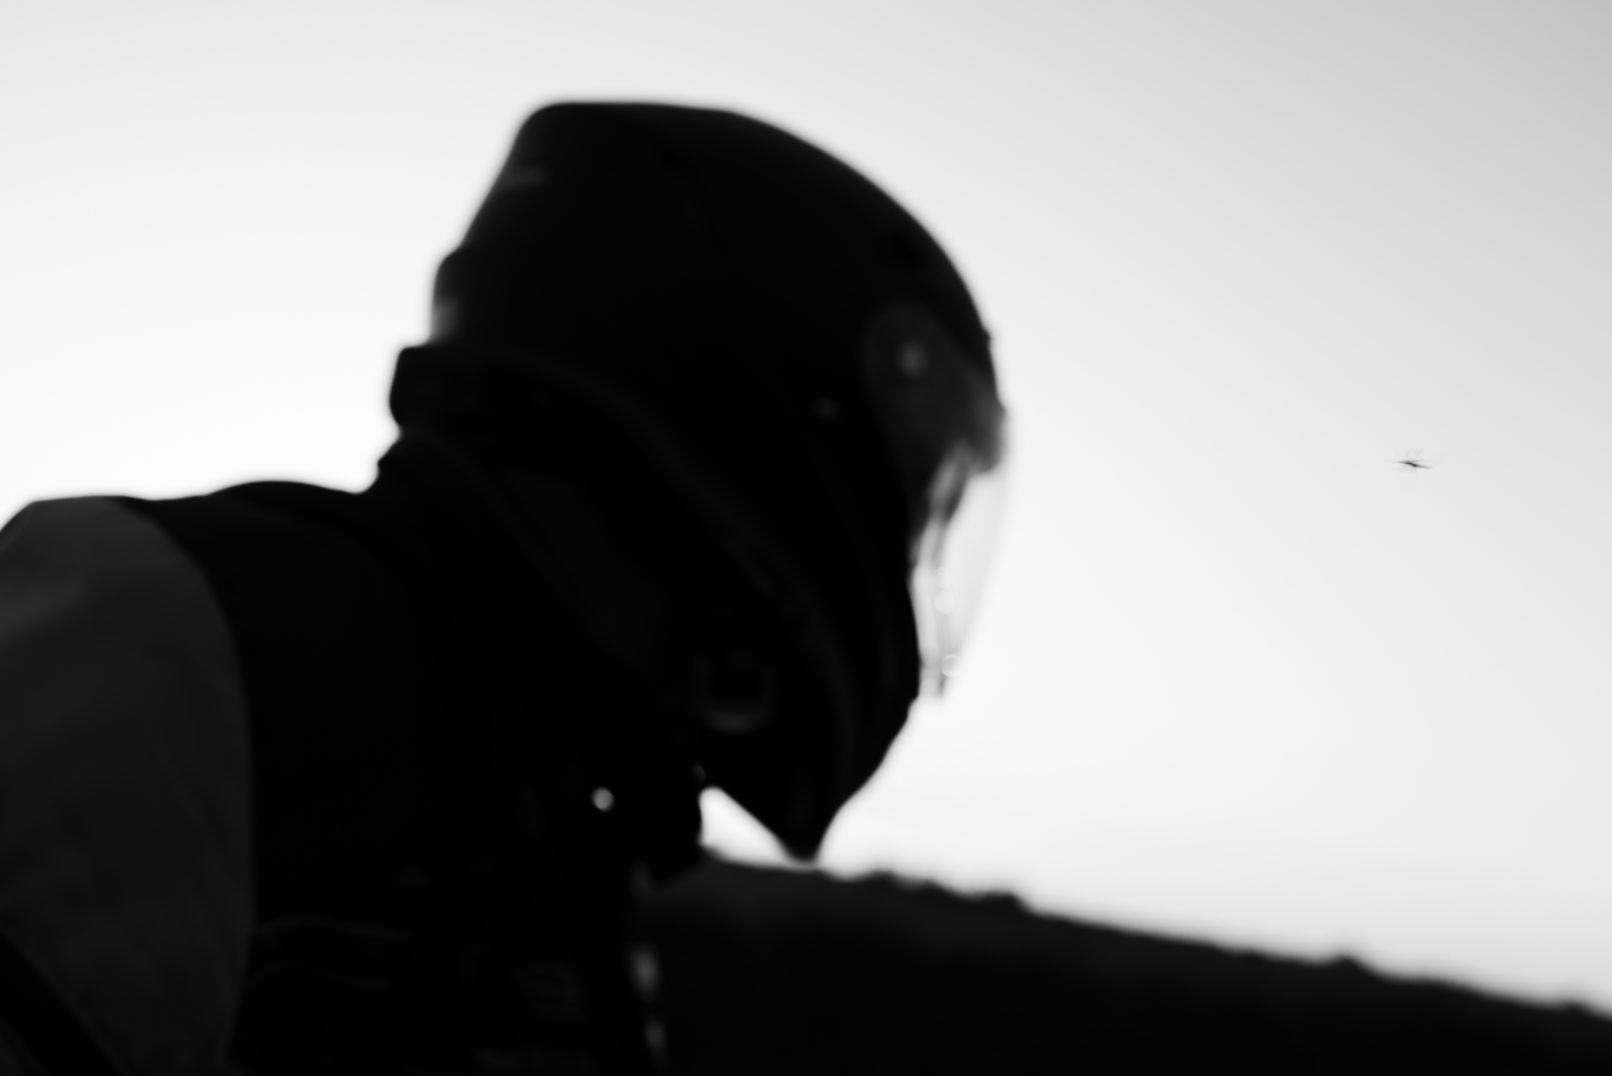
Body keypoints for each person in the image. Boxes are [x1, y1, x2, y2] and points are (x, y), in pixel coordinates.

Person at [0, 101, 1010, 1075]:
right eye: (912, 502)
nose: (900, 551)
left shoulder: (547, 809)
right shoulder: (172, 629)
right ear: (747, 411)